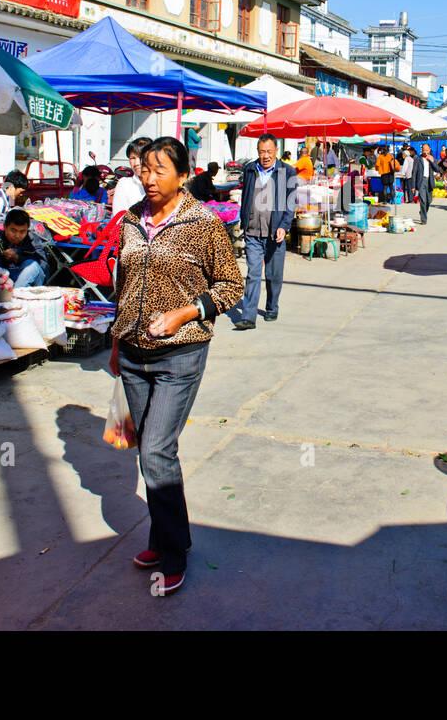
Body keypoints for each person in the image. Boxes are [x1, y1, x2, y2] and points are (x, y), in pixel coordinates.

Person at [110, 136, 244, 595]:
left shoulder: (203, 223)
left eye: (159, 169)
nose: (148, 178)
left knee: (156, 450)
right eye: (144, 169)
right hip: (131, 353)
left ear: (183, 175)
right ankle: (161, 534)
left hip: (180, 355)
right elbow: (122, 284)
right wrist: (115, 342)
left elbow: (231, 287)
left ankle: (174, 552)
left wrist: (185, 312)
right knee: (149, 450)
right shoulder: (129, 221)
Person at [235, 135, 297, 331]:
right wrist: (243, 221)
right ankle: (248, 316)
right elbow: (245, 196)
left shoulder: (287, 172)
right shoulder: (250, 169)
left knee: (273, 275)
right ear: (258, 152)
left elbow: (291, 202)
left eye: (269, 152)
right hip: (253, 230)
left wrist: (284, 226)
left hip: (274, 232)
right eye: (262, 152)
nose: (266, 156)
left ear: (276, 151)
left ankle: (272, 306)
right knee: (253, 274)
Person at [0, 208, 47, 288]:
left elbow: (43, 266)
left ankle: (14, 294)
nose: (17, 235)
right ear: (5, 227)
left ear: (27, 229)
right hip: (7, 281)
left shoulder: (33, 240)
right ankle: (16, 293)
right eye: (13, 231)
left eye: (22, 232)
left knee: (32, 265)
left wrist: (18, 258)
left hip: (32, 279)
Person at [112, 137, 152, 217]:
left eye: (141, 157)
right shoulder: (124, 184)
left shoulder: (160, 182)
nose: (136, 163)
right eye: (132, 158)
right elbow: (119, 216)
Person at [412, 143, 437, 225]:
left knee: (429, 201)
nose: (425, 152)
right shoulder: (418, 159)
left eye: (426, 150)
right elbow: (414, 172)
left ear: (429, 150)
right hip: (421, 181)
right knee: (423, 200)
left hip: (429, 181)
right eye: (423, 150)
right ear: (421, 150)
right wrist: (413, 186)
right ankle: (424, 219)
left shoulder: (432, 158)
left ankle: (423, 212)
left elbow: (437, 169)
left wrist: (432, 161)